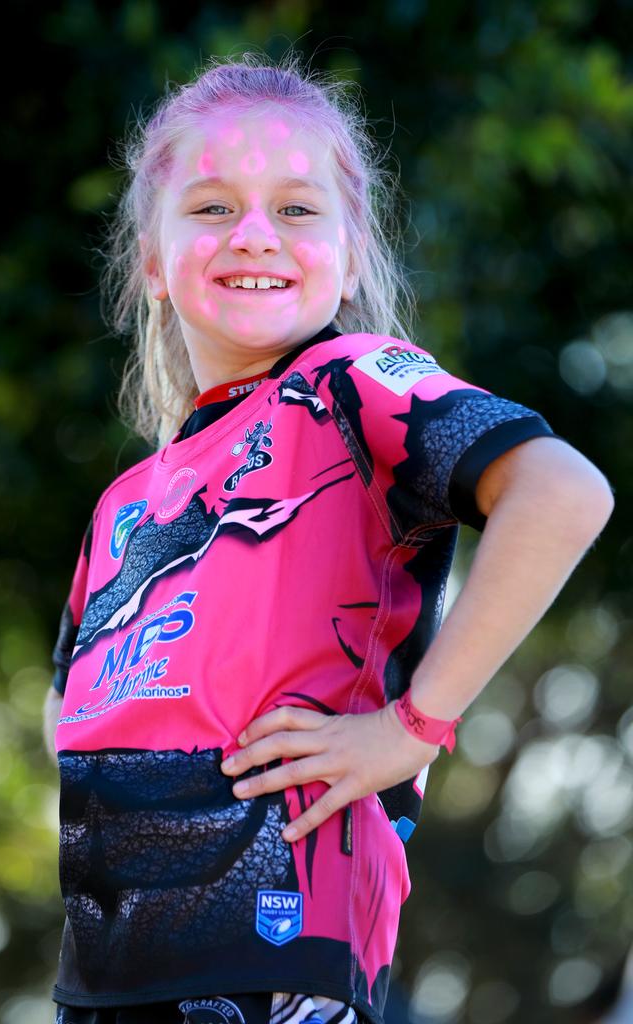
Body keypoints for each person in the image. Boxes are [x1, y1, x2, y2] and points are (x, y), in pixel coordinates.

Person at [42, 53, 614, 1024]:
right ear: (151, 255)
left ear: (350, 253)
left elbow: (563, 494)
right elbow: (74, 717)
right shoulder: (123, 503)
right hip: (98, 990)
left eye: (298, 209)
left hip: (279, 967)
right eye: (212, 207)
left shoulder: (355, 384)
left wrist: (412, 726)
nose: (253, 234)